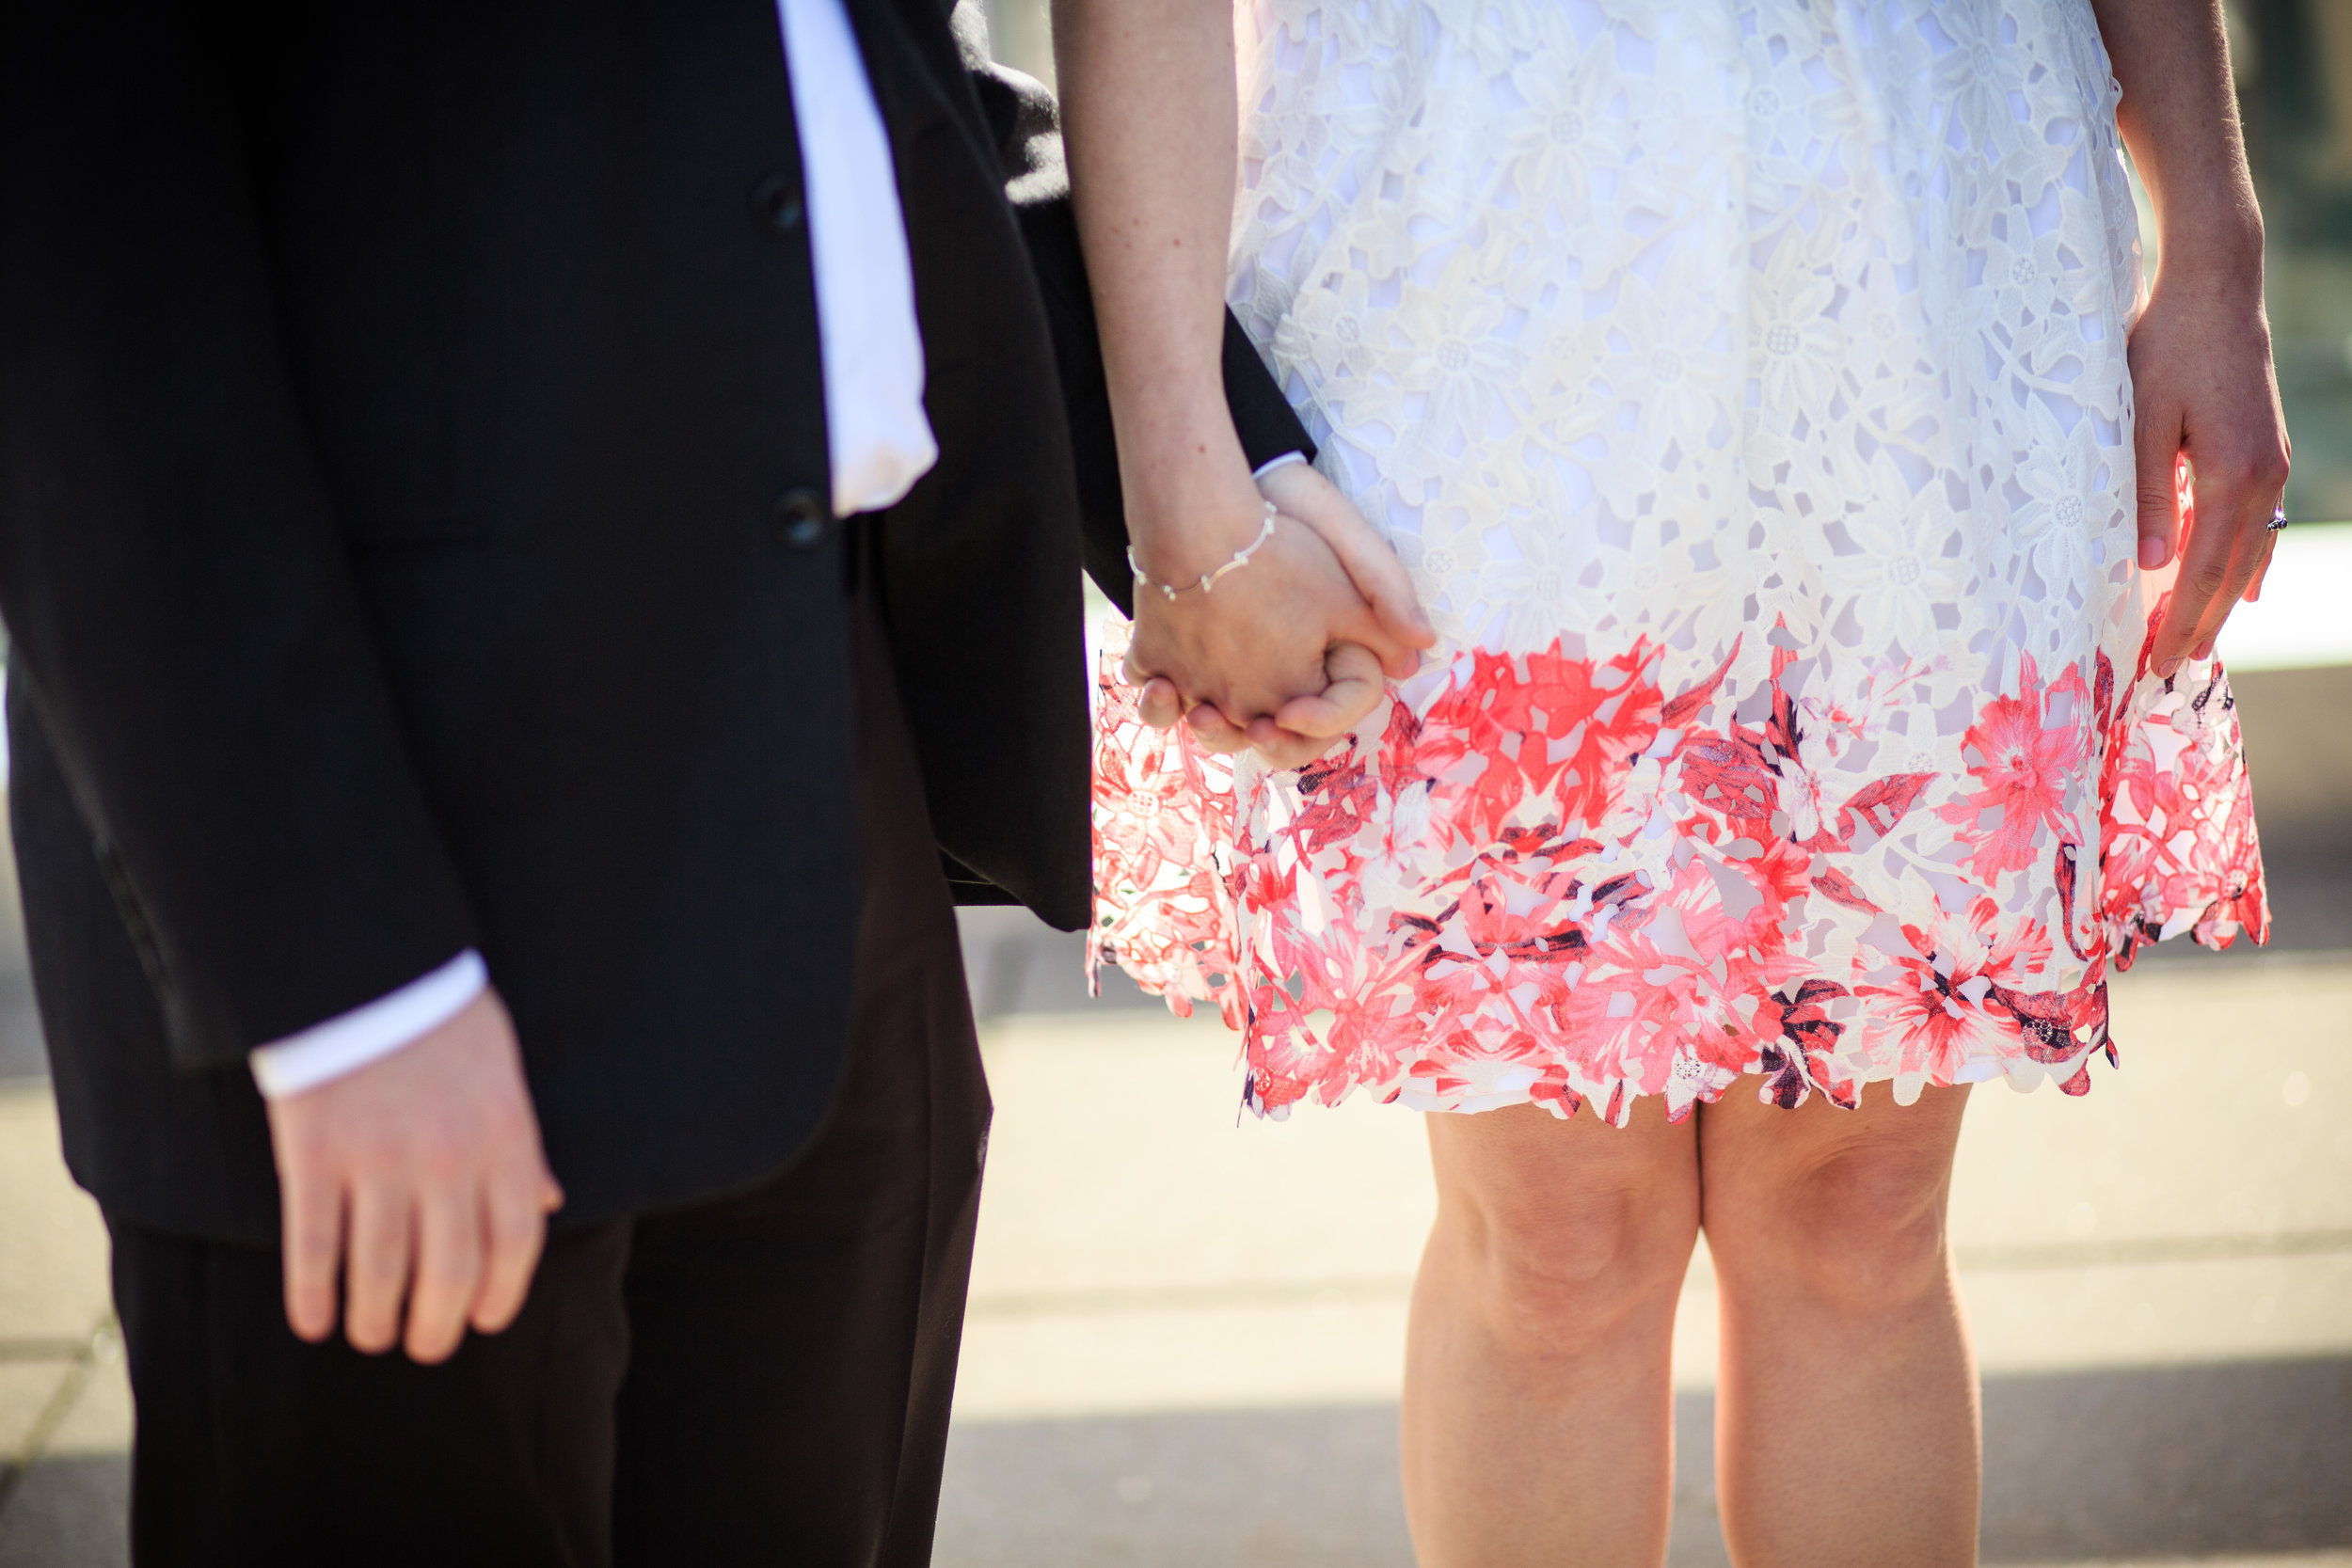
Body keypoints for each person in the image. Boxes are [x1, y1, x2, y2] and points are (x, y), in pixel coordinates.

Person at [0, 1, 1425, 1562]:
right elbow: (77, 236)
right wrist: (334, 975)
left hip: (824, 787)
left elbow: (855, 82)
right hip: (393, 836)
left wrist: (1218, 482)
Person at [1068, 0, 2285, 1562]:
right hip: (1470, 264)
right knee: (1559, 1236)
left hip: (1914, 255)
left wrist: (2215, 229)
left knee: (1863, 1212)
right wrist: (1176, 458)